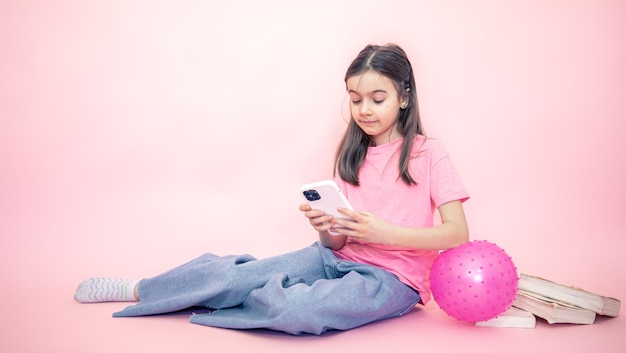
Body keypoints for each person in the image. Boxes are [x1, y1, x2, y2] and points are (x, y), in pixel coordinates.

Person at [73, 43, 470, 335]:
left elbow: (457, 232)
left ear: (404, 97)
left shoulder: (428, 153)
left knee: (301, 311)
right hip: (334, 259)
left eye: (377, 98)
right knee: (231, 276)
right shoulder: (352, 154)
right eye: (355, 99)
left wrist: (385, 233)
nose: (364, 109)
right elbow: (334, 245)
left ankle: (224, 298)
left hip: (391, 280)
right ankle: (142, 288)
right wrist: (324, 226)